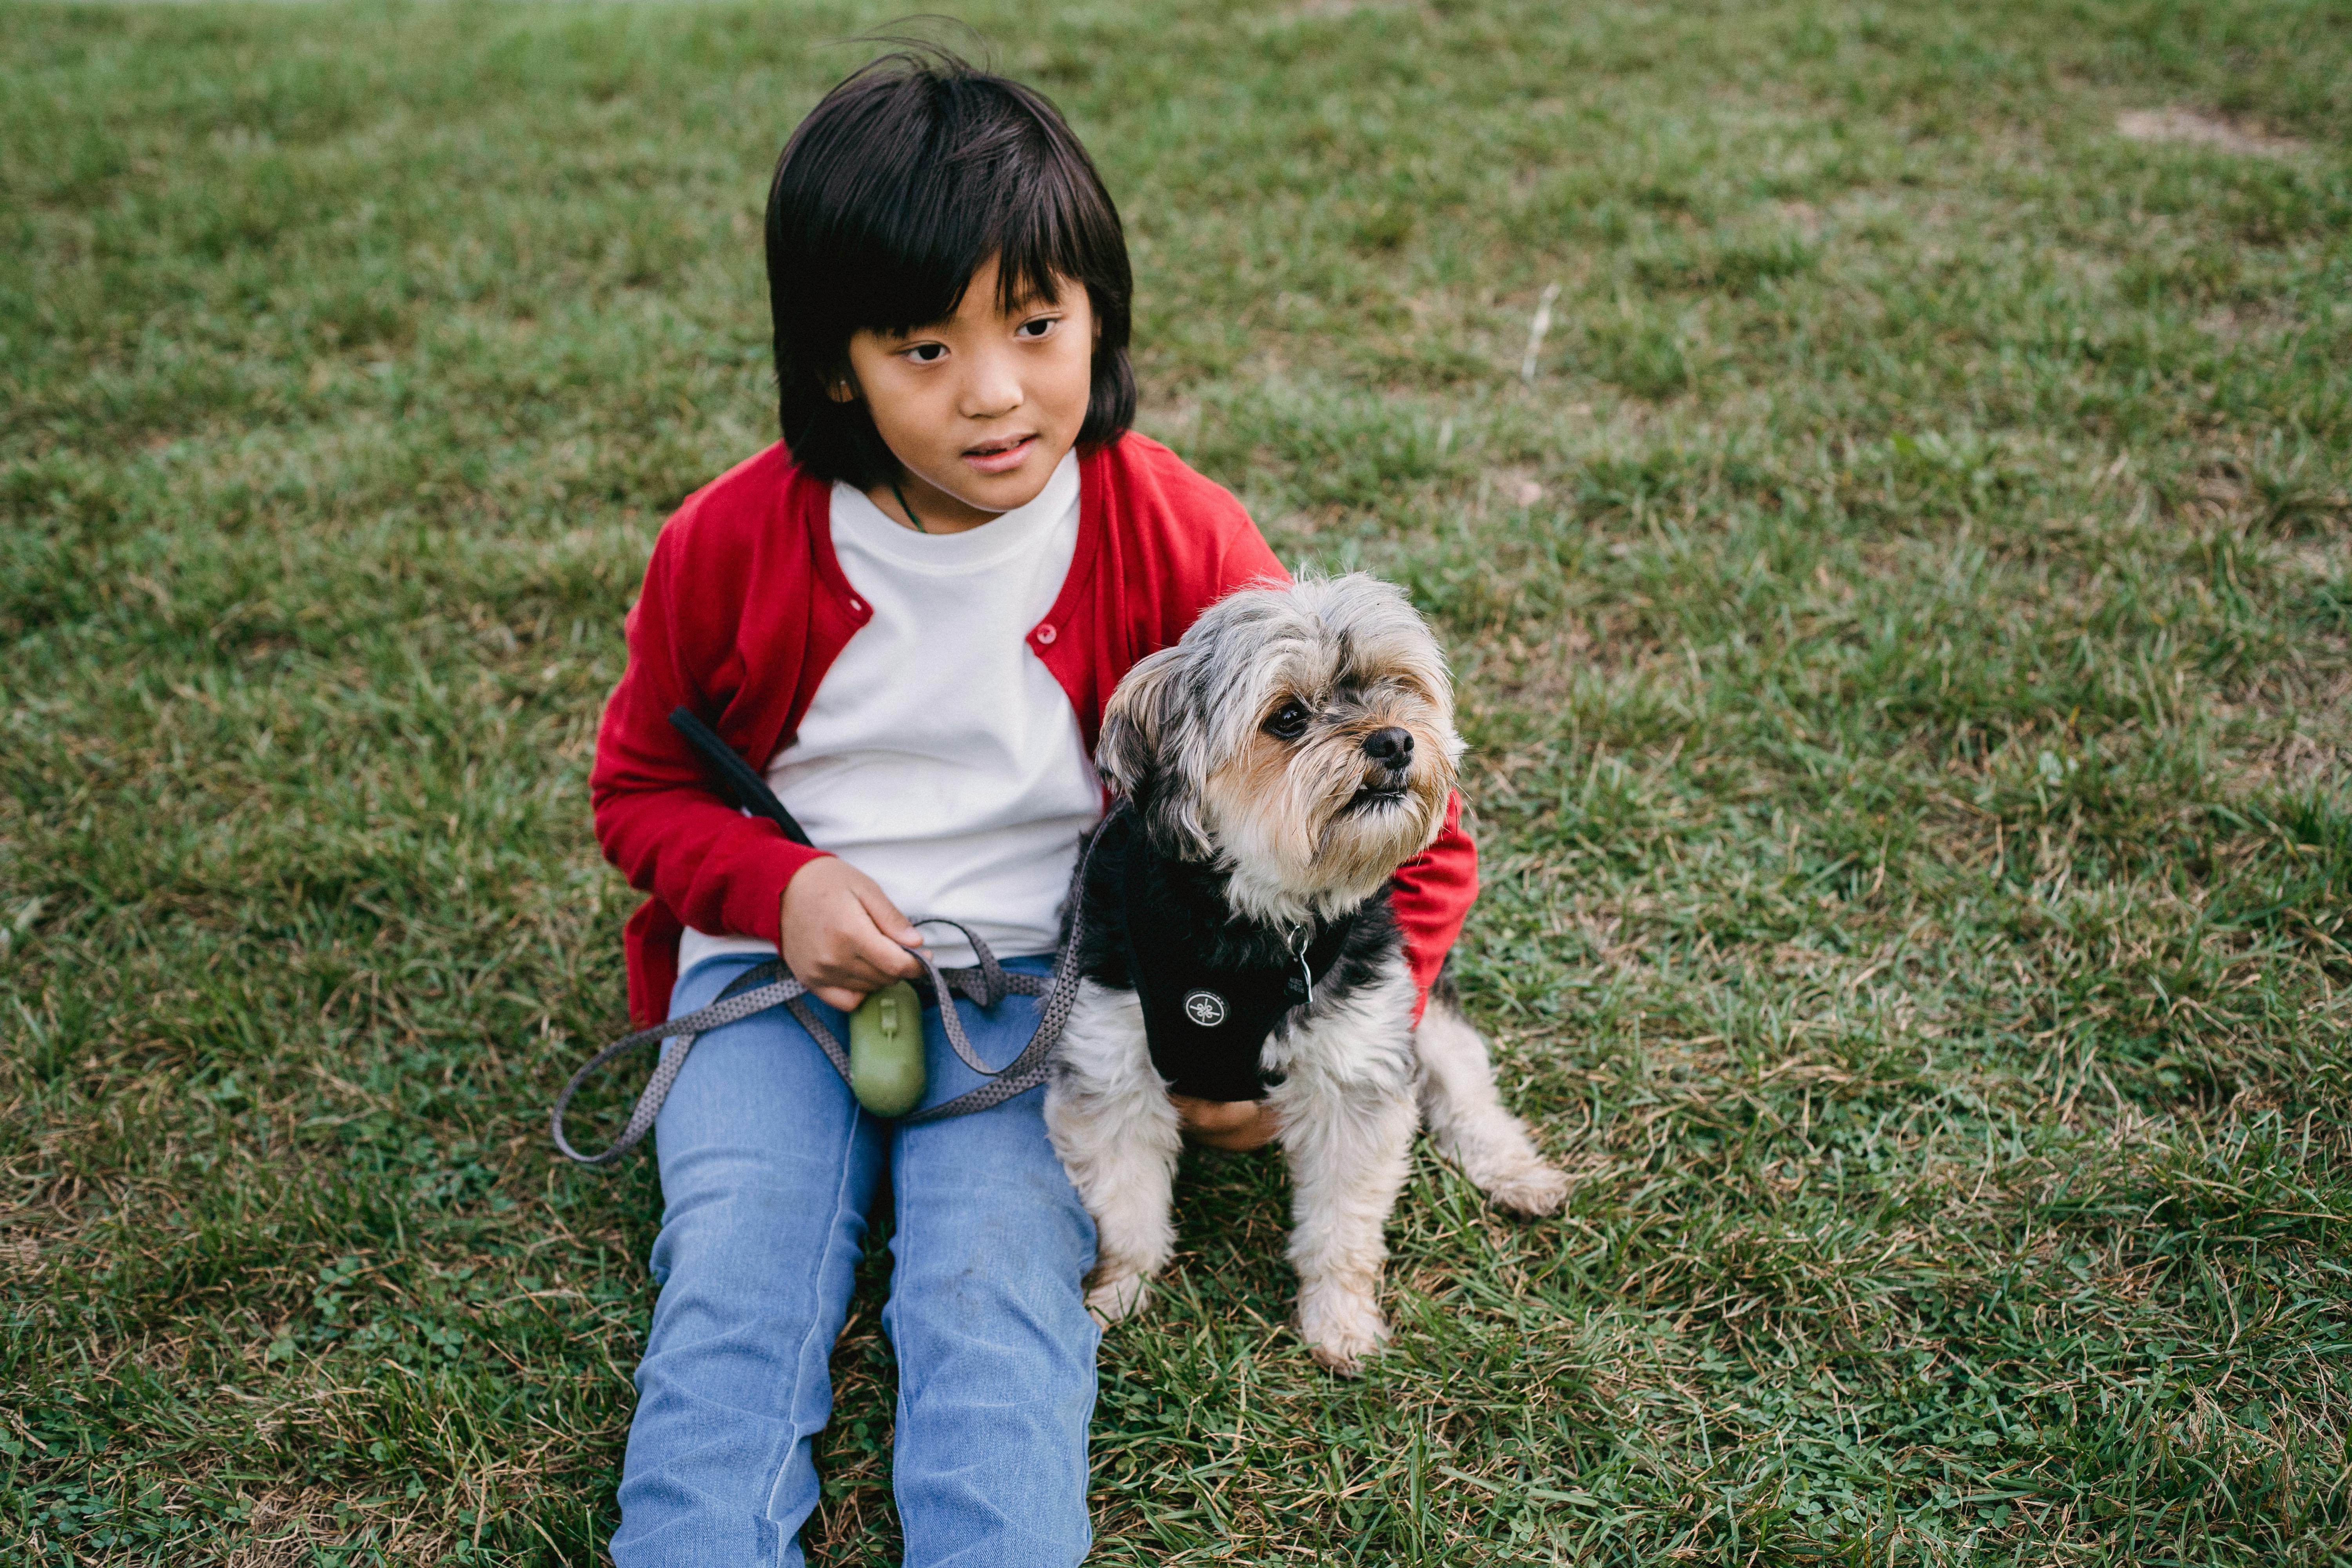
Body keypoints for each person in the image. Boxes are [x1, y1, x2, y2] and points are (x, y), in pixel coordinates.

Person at [588, 50, 1478, 1566]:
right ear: (833, 367)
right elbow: (644, 789)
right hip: (767, 976)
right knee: (733, 1278)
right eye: (922, 349)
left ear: (1098, 316)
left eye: (1036, 325)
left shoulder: (1179, 530)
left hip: (1050, 989)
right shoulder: (726, 544)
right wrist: (768, 891)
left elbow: (1413, 841)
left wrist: (1330, 1033)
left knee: (997, 1291)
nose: (995, 391)